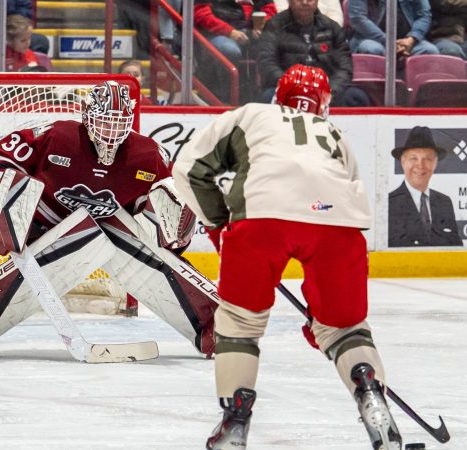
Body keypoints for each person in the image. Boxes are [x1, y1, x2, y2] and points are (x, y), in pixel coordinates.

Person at [172, 65, 402, 450]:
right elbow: (347, 201)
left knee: (240, 325)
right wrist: (325, 318)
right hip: (339, 227)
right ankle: (369, 391)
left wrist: (219, 222)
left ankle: (234, 423)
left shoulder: (252, 114)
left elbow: (189, 170)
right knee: (344, 328)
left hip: (263, 219)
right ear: (325, 105)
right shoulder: (335, 135)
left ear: (277, 95)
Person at [0, 80, 218, 360]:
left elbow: (166, 204)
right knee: (84, 234)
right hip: (43, 227)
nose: (112, 132)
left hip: (102, 228)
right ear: (87, 114)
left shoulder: (147, 155)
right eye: (105, 122)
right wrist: (7, 210)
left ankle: (214, 325)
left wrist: (174, 225)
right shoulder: (58, 136)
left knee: (120, 241)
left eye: (119, 123)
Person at [257, 0, 370, 106]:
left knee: (356, 96)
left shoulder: (332, 27)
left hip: (327, 91)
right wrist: (295, 88)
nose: (305, 2)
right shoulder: (274, 25)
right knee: (269, 96)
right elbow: (267, 64)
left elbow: (345, 67)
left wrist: (328, 90)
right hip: (289, 89)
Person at [388, 126, 463, 247]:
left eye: (427, 158)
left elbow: (456, 246)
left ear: (435, 163)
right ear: (403, 161)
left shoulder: (444, 202)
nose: (420, 165)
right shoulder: (389, 203)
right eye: (413, 158)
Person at [347, 0, 440, 57]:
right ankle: (376, 89)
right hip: (372, 39)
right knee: (372, 49)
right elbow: (358, 19)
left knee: (430, 50)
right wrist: (387, 41)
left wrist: (411, 39)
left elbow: (424, 15)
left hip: (408, 42)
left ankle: (411, 89)